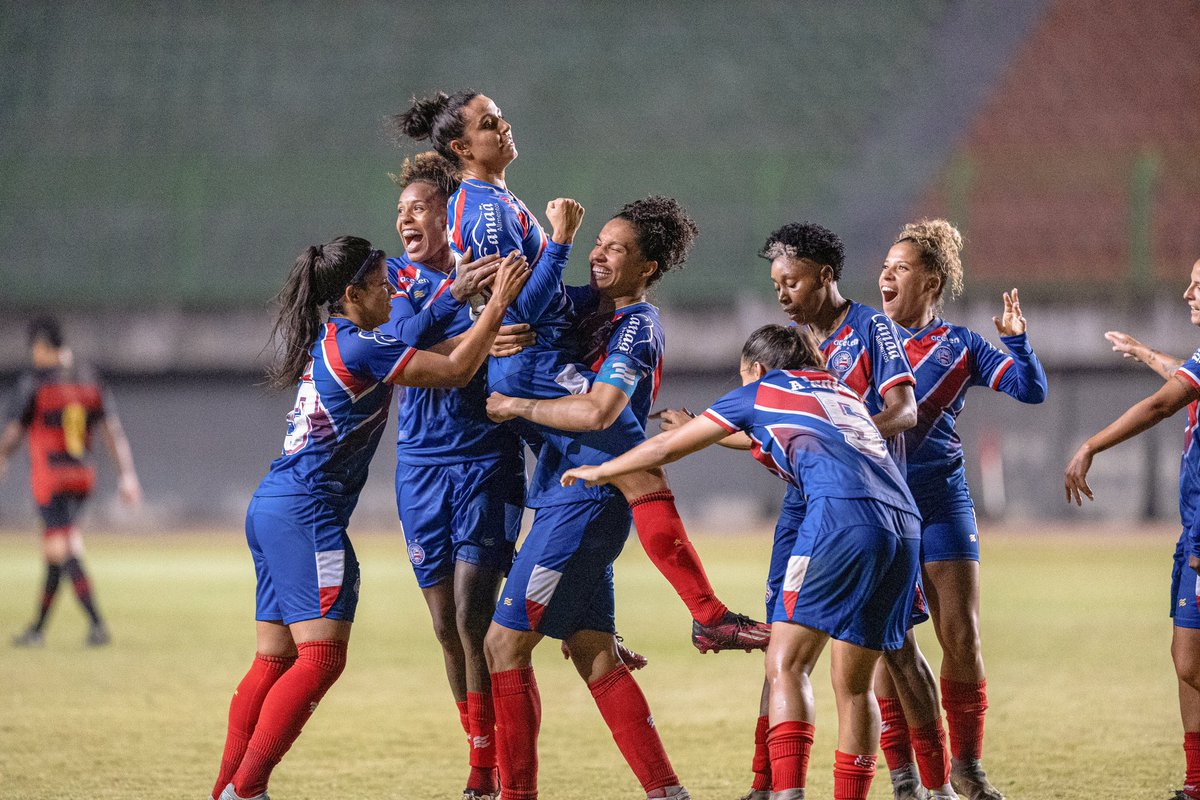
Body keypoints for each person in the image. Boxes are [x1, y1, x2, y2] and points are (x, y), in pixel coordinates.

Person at [391, 90, 767, 651]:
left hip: (529, 364)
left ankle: (605, 623)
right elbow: (525, 308)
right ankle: (706, 613)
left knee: (622, 472)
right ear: (462, 148)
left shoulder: (495, 198)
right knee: (622, 446)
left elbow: (535, 301)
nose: (505, 126)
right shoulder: (487, 209)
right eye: (490, 123)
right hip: (528, 369)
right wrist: (562, 241)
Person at [207, 236, 528, 800]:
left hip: (274, 504)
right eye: (382, 284)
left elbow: (412, 330)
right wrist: (497, 303)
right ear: (353, 293)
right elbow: (454, 368)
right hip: (307, 512)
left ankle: (225, 790)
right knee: (322, 657)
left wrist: (452, 294)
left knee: (274, 658)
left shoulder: (336, 337)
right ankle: (247, 789)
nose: (392, 290)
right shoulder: (362, 348)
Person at [562, 323, 923, 800]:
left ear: (757, 369)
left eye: (743, 377)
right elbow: (774, 441)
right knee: (856, 685)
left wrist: (603, 469)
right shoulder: (838, 392)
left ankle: (786, 794)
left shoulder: (765, 388)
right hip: (904, 525)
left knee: (786, 665)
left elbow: (670, 446)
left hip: (841, 519)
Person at [659, 222, 944, 800]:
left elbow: (906, 410)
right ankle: (767, 785)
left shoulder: (871, 328)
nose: (782, 293)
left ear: (825, 275)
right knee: (784, 644)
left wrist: (849, 435)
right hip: (804, 508)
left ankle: (927, 785)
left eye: (792, 281)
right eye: (776, 283)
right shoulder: (789, 343)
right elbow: (774, 428)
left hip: (866, 498)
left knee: (897, 650)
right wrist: (705, 433)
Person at [480, 195, 703, 800]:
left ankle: (515, 793)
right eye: (598, 244)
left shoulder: (637, 324)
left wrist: (515, 404)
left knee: (504, 644)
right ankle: (667, 792)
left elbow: (600, 410)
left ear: (648, 267)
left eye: (617, 249)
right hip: (563, 493)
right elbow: (522, 306)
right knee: (594, 653)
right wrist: (499, 326)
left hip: (587, 499)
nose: (599, 255)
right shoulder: (582, 306)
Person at [379, 151, 531, 800]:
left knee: (473, 618)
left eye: (419, 208)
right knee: (445, 626)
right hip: (419, 470)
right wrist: (461, 312)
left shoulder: (495, 270)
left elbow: (518, 339)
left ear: (452, 214)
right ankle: (480, 748)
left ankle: (486, 772)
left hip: (486, 460)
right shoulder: (392, 278)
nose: (406, 220)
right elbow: (398, 343)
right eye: (400, 211)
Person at [877, 219, 1046, 800]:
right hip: (880, 502)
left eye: (900, 268)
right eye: (885, 267)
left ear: (933, 280)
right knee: (888, 638)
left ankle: (967, 770)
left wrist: (1019, 341)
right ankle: (903, 776)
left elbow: (1031, 389)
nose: (885, 276)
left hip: (943, 499)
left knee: (962, 635)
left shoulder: (962, 345)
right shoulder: (861, 336)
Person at [1065, 256, 1200, 800]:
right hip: (1192, 529)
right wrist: (1145, 351)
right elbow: (1182, 379)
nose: (1189, 291)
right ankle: (1196, 783)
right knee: (1186, 661)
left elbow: (1163, 405)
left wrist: (1091, 444)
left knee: (1192, 661)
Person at [0, 315, 142, 648]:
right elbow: (113, 432)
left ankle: (97, 624)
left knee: (63, 548)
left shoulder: (34, 384)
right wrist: (127, 475)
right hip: (82, 477)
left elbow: (13, 434)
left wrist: (3, 457)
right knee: (55, 551)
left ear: (40, 347)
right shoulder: (89, 379)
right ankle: (37, 631)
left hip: (50, 478)